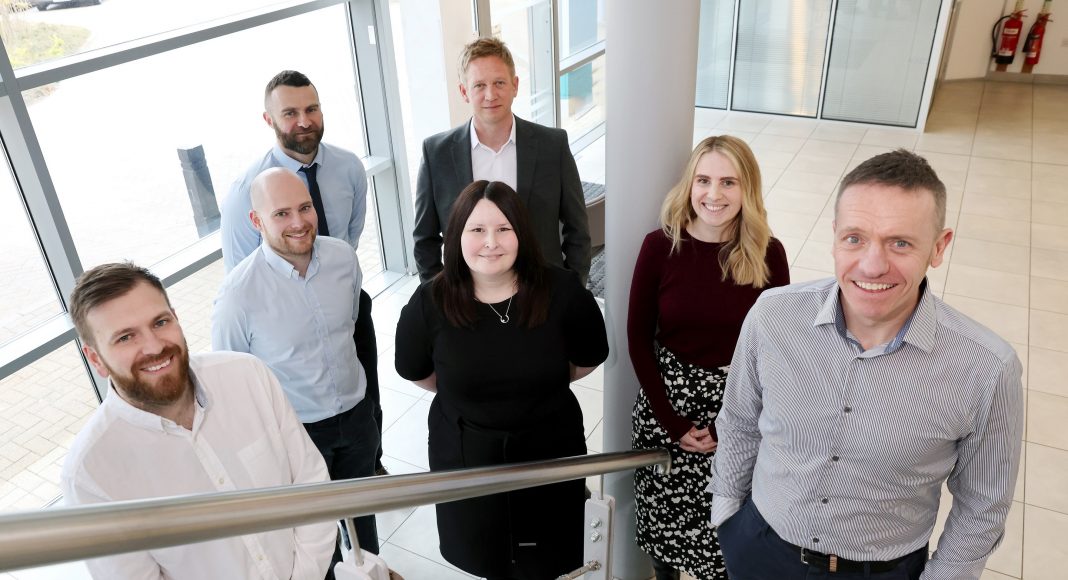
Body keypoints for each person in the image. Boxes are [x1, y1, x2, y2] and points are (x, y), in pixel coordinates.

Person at [709, 149, 1024, 580]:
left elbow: (983, 507)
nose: (872, 265)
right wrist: (727, 515)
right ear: (835, 236)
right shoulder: (772, 316)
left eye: (900, 243)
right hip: (759, 549)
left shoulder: (987, 369)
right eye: (854, 238)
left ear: (938, 247)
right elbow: (740, 422)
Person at [62, 262, 335, 579]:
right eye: (125, 337)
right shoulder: (90, 472)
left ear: (176, 318)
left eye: (160, 322)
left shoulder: (247, 375)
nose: (154, 346)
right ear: (96, 359)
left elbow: (310, 481)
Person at [395, 180, 608, 580]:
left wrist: (537, 380)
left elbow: (589, 357)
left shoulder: (562, 291)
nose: (490, 242)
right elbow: (415, 370)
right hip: (467, 456)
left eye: (503, 229)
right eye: (477, 229)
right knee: (486, 557)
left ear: (521, 233)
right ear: (456, 236)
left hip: (550, 450)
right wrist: (469, 391)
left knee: (547, 557)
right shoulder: (430, 301)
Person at [627, 135, 790, 580]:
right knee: (663, 531)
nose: (713, 194)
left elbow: (777, 353)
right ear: (689, 185)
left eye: (728, 182)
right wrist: (672, 423)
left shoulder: (769, 254)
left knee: (725, 537)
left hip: (738, 408)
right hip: (666, 407)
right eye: (703, 180)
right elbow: (638, 340)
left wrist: (726, 426)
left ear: (747, 189)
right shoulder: (659, 247)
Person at [221, 70, 386, 477]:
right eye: (290, 113)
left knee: (364, 388)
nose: (303, 121)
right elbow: (244, 270)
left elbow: (350, 236)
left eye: (311, 109)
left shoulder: (348, 167)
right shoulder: (246, 191)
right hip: (285, 320)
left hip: (340, 295)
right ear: (269, 120)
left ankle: (370, 461)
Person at [212, 168, 379, 564]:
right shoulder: (238, 296)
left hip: (357, 417)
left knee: (363, 517)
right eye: (281, 213)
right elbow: (232, 382)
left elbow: (351, 325)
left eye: (305, 208)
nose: (299, 222)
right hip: (298, 434)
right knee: (316, 538)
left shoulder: (343, 258)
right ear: (256, 221)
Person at [413, 37, 591, 284]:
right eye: (479, 85)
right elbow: (425, 240)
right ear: (464, 92)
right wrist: (438, 296)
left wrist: (572, 290)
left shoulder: (553, 145)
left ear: (515, 86)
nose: (490, 95)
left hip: (542, 289)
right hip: (467, 295)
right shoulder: (435, 154)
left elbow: (578, 230)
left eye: (499, 82)